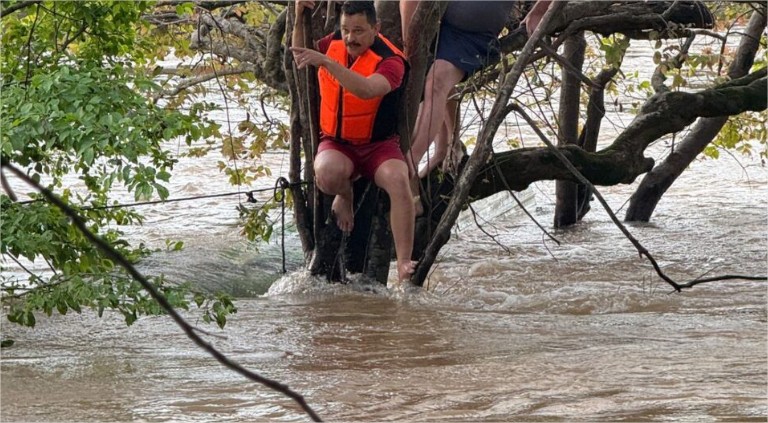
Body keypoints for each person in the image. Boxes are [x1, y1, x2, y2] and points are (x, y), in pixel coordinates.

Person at [291, 0, 417, 283]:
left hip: (378, 146)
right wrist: (299, 16)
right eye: (346, 30)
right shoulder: (333, 43)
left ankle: (404, 262)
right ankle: (345, 195)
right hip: (338, 143)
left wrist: (326, 62)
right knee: (325, 173)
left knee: (399, 180)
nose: (350, 38)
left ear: (376, 28)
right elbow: (300, 54)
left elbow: (367, 90)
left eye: (359, 31)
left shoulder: (391, 60)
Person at [400, 0, 553, 202]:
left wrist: (539, 10)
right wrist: (410, 47)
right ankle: (443, 147)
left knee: (437, 82)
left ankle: (412, 160)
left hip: (474, 33)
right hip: (436, 21)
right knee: (428, 81)